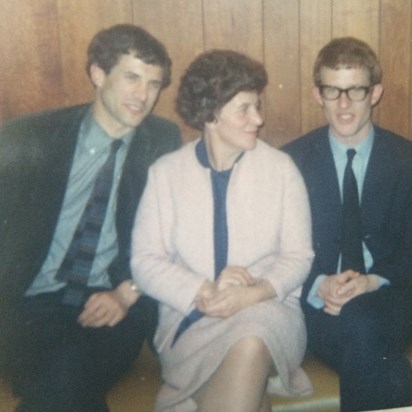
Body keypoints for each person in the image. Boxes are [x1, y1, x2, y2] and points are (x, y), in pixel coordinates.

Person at [0, 24, 181, 412]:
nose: (143, 95)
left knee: (66, 374)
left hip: (113, 306)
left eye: (153, 84)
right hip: (28, 306)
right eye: (132, 77)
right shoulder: (29, 138)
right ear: (98, 74)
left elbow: (175, 238)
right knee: (65, 377)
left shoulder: (162, 141)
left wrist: (127, 292)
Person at [130, 49, 314, 412]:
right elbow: (145, 262)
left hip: (268, 311)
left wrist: (253, 293)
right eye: (244, 109)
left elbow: (299, 256)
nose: (258, 119)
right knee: (247, 394)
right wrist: (204, 289)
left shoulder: (281, 170)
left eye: (257, 106)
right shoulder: (166, 174)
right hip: (193, 319)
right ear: (211, 115)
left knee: (250, 342)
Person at [283, 37, 412, 412]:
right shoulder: (290, 163)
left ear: (374, 93)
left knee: (362, 323)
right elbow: (273, 249)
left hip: (389, 299)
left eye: (355, 90)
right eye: (332, 90)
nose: (343, 104)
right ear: (316, 94)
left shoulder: (406, 160)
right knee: (366, 339)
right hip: (319, 306)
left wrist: (372, 280)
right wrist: (319, 285)